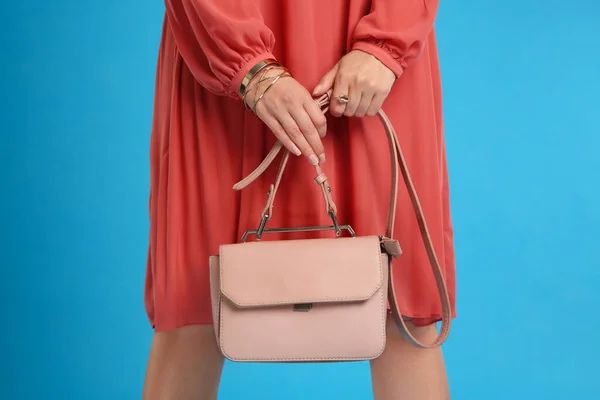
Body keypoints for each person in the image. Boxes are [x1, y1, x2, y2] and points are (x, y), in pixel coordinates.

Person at [142, 0, 456, 398]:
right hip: (221, 46)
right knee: (195, 310)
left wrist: (385, 45)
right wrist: (252, 69)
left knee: (404, 314)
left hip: (370, 63)